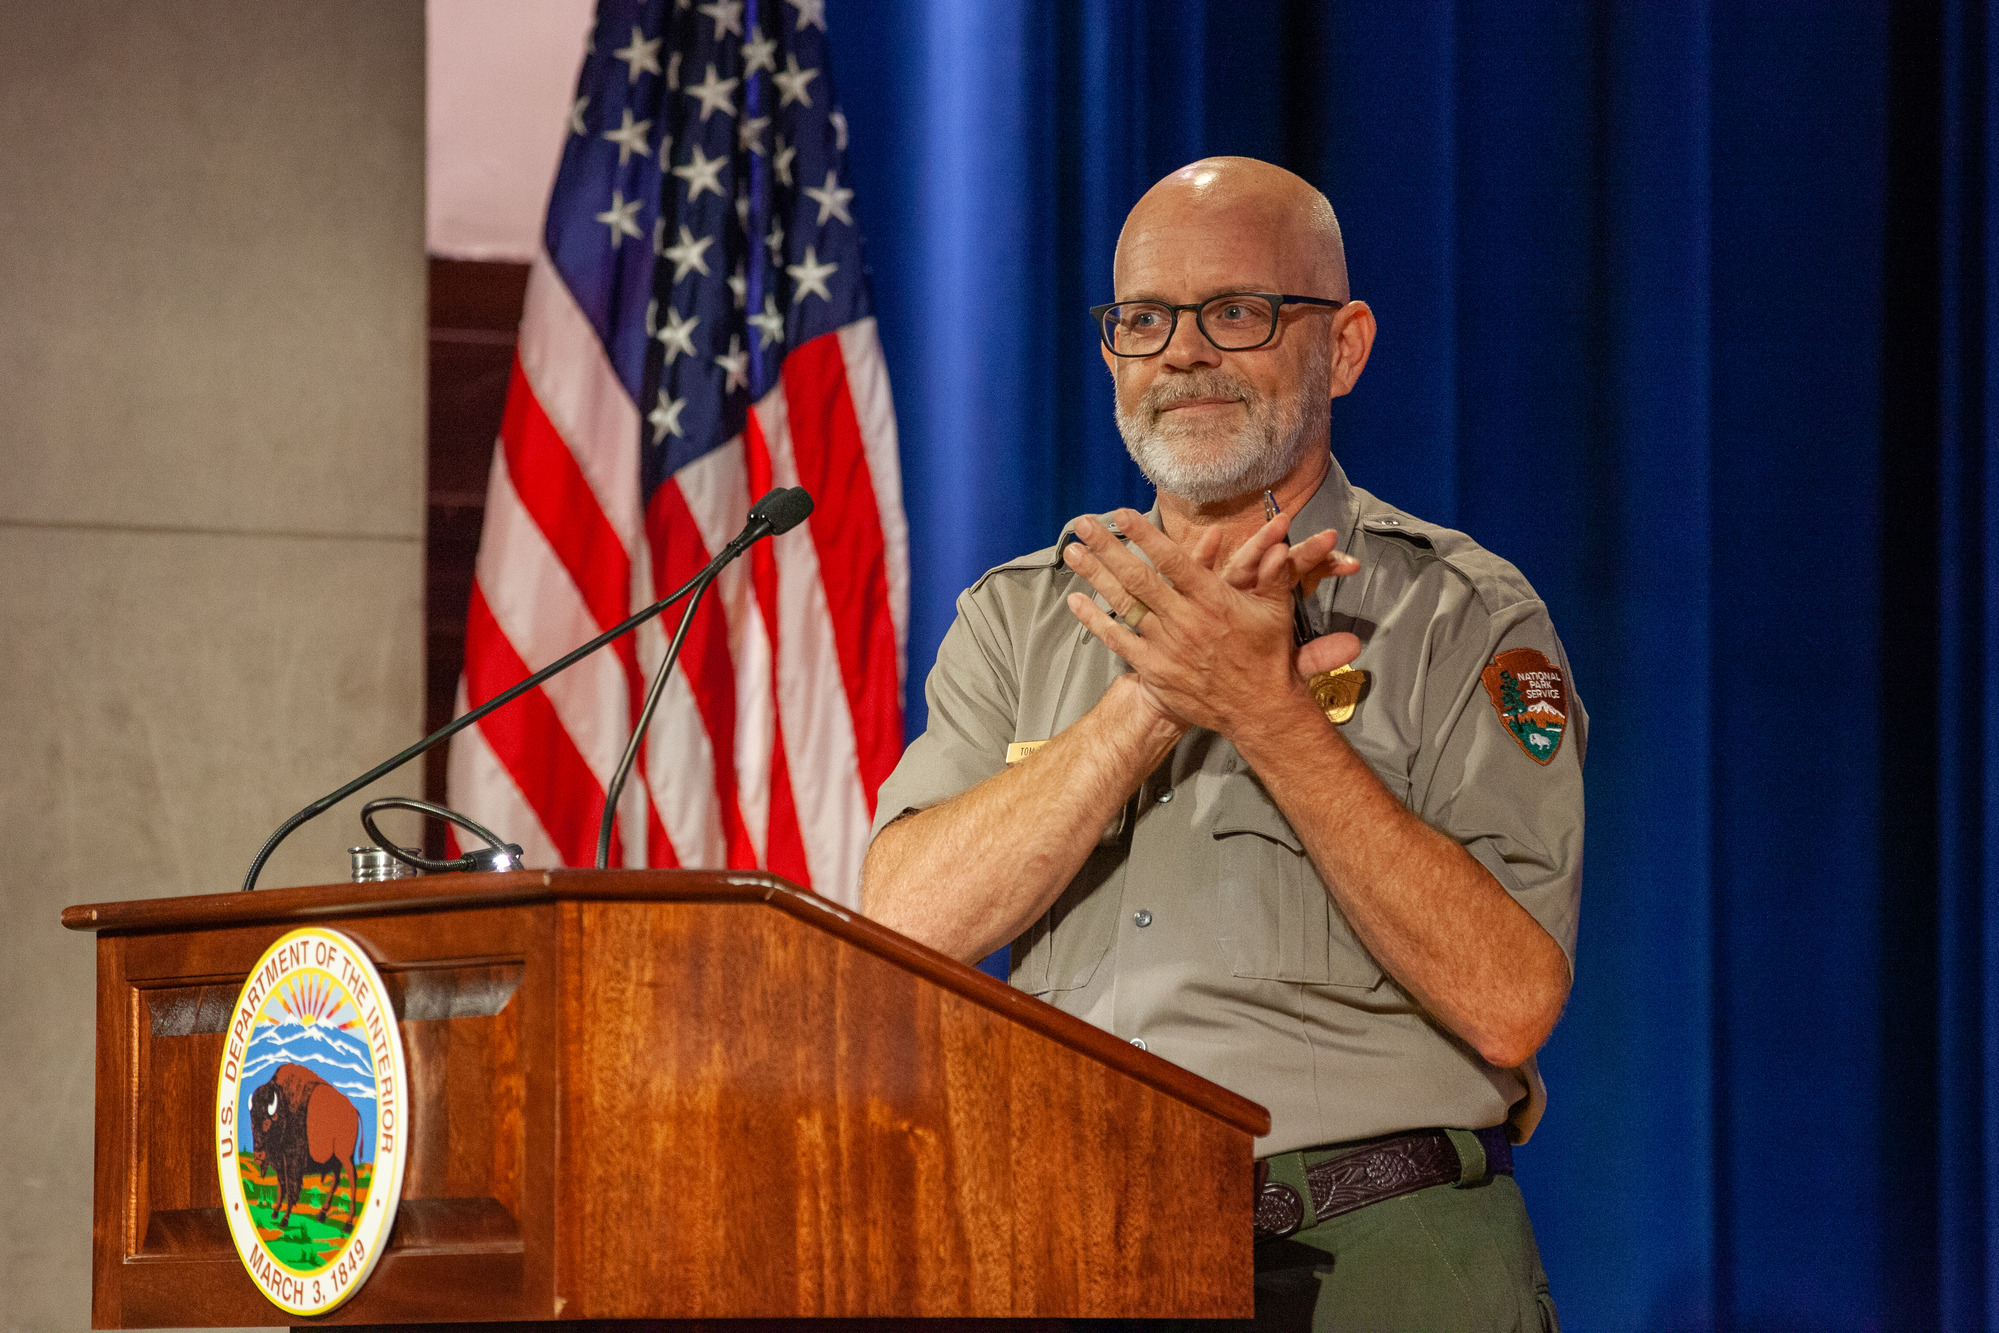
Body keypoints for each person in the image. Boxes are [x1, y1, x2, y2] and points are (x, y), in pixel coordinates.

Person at [860, 155, 1583, 1331]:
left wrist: (1270, 716)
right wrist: (1154, 701)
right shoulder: (1018, 613)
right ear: (1111, 357)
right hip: (1070, 1250)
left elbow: (1510, 1001)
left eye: (1236, 312)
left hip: (1378, 1255)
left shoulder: (1463, 613)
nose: (1181, 352)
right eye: (1143, 319)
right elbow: (902, 927)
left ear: (1342, 347)